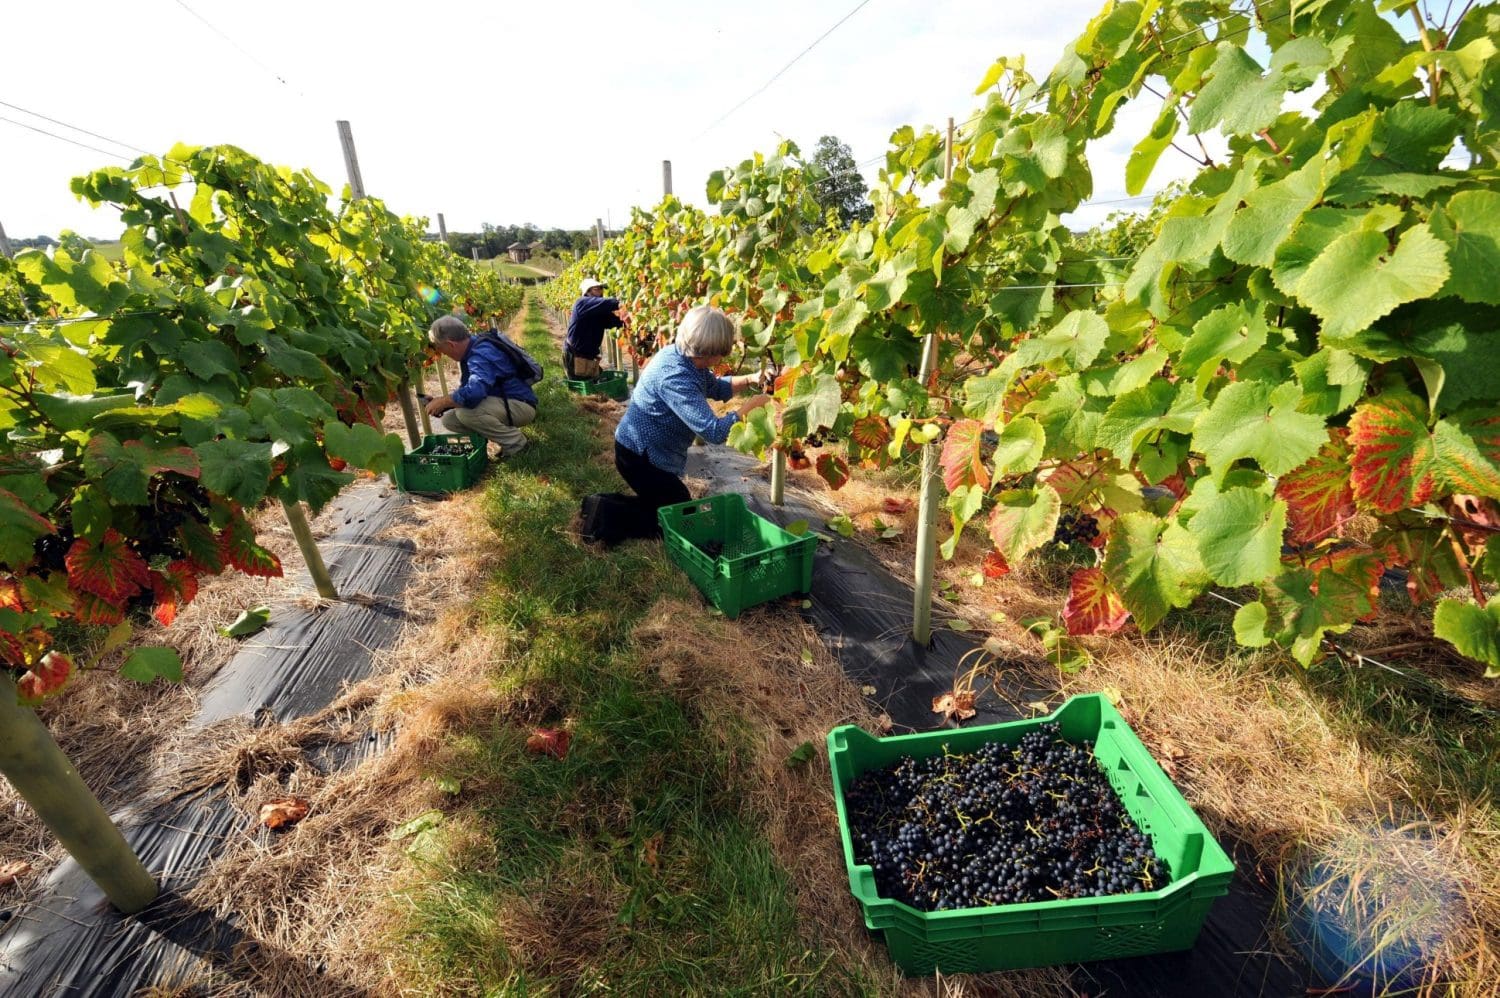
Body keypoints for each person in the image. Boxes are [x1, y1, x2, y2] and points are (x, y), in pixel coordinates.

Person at [607, 305, 771, 539]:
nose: (724, 356)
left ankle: (623, 508)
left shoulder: (683, 357)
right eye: (722, 352)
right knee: (679, 521)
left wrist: (751, 378)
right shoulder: (675, 378)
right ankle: (602, 512)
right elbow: (713, 432)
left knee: (676, 509)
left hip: (647, 453)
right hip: (639, 458)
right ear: (708, 350)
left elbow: (714, 387)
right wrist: (749, 408)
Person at [423, 315, 537, 457]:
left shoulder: (480, 354)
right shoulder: (473, 347)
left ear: (451, 344)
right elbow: (470, 390)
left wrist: (445, 401)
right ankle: (498, 440)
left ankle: (517, 444)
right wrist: (441, 401)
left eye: (443, 350)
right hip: (505, 402)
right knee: (450, 420)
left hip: (520, 405)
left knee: (466, 413)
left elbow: (475, 392)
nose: (445, 355)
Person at [564, 278, 624, 379]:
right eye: (597, 289)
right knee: (583, 386)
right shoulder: (581, 303)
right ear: (587, 291)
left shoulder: (599, 312)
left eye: (602, 288)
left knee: (595, 384)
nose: (601, 291)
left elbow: (615, 321)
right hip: (575, 357)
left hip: (588, 357)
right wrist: (622, 303)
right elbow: (607, 303)